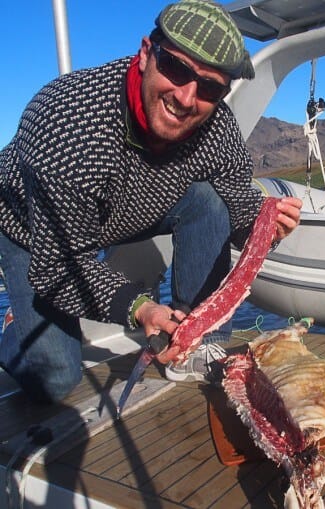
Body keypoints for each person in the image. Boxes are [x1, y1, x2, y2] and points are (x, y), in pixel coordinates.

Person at [0, 0, 302, 404]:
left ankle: (196, 338)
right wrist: (141, 308)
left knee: (210, 199)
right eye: (177, 69)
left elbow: (242, 211)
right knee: (54, 380)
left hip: (127, 208)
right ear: (146, 54)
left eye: (210, 87)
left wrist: (268, 230)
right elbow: (59, 265)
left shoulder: (217, 128)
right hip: (34, 231)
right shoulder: (69, 121)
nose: (186, 97)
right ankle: (15, 326)